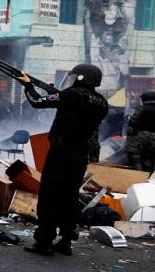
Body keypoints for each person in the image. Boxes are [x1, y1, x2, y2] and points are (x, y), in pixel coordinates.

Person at [20, 63, 108, 256]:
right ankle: (66, 241)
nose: (70, 80)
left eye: (74, 76)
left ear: (81, 78)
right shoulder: (101, 102)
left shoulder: (71, 95)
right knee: (69, 198)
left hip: (60, 153)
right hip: (79, 155)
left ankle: (44, 241)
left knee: (49, 196)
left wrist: (28, 85)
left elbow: (37, 101)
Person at [125, 90, 155, 171]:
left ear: (144, 99)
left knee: (133, 153)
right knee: (149, 156)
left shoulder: (141, 108)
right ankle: (148, 173)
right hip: (153, 136)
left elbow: (132, 122)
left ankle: (138, 173)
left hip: (140, 136)